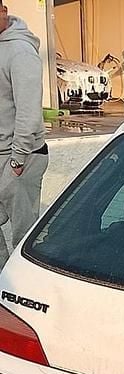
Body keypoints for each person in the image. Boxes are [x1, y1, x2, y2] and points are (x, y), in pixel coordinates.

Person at [0, 4, 48, 268]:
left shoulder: (20, 52)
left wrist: (17, 161)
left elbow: (28, 111)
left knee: (24, 235)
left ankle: (23, 289)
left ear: (3, 10)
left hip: (20, 158)